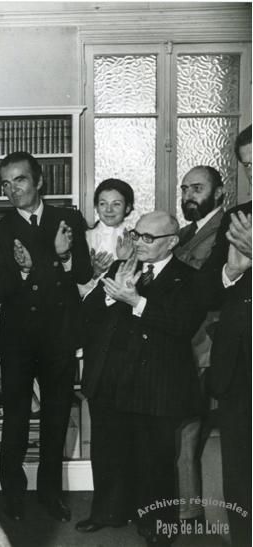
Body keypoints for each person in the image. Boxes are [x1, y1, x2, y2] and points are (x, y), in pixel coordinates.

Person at [78, 211, 203, 546]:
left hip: (157, 383)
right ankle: (108, 512)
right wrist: (109, 294)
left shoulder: (188, 278)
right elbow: (88, 313)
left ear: (171, 242)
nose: (139, 243)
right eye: (136, 234)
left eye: (149, 238)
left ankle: (157, 523)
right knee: (108, 451)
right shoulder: (121, 268)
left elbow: (182, 325)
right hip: (111, 378)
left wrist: (135, 300)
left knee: (155, 458)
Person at [0, 151, 91, 522]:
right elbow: (2, 288)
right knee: (15, 419)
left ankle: (50, 494)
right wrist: (40, 266)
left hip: (59, 336)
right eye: (6, 183)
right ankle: (13, 497)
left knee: (55, 417)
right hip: (19, 339)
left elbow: (81, 272)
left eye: (20, 180)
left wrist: (56, 258)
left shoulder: (68, 219)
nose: (12, 190)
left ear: (39, 181)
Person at [197, 124, 252, 546]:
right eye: (249, 166)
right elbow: (206, 291)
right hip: (238, 363)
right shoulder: (238, 217)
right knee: (240, 472)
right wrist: (231, 271)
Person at [172, 165, 225, 525]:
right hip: (184, 338)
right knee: (185, 426)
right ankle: (187, 506)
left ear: (219, 193)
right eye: (184, 189)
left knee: (189, 427)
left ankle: (189, 510)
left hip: (206, 341)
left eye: (197, 188)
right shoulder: (187, 231)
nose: (188, 195)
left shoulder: (224, 230)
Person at [79, 178, 135, 298]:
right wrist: (94, 273)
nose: (109, 210)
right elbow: (75, 288)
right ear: (96, 207)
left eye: (116, 204)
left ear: (127, 208)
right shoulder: (84, 238)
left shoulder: (135, 239)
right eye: (103, 204)